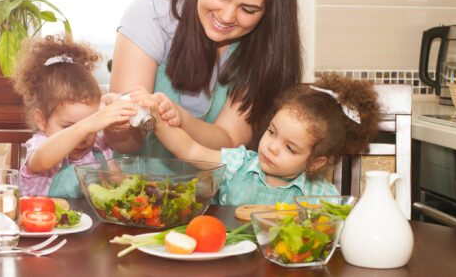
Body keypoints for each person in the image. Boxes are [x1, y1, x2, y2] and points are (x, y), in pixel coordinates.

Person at [105, 0, 303, 164]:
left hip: (213, 190)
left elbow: (230, 140)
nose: (227, 16)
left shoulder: (265, 47)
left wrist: (182, 120)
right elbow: (127, 144)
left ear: (270, 11)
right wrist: (117, 126)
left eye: (248, 9)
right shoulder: (150, 17)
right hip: (135, 189)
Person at [132, 74, 381, 205]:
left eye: (290, 148)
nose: (272, 146)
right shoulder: (239, 164)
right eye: (272, 132)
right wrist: (156, 119)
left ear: (315, 162)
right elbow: (188, 149)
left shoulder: (319, 197)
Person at [12, 35, 137, 198]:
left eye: (92, 126)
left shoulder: (99, 149)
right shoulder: (40, 146)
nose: (82, 136)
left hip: (91, 223)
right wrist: (87, 125)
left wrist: (143, 189)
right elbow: (43, 160)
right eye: (68, 126)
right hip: (41, 221)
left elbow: (119, 180)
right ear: (42, 121)